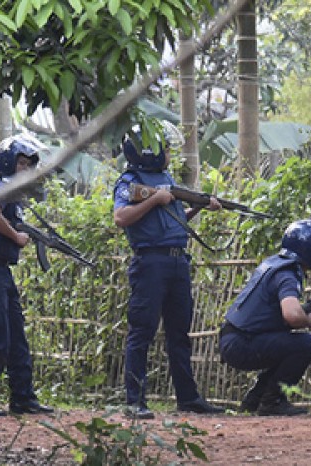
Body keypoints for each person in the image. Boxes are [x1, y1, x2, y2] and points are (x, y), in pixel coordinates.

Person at [113, 130, 225, 419]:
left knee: (179, 334)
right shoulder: (129, 182)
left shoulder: (168, 182)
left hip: (177, 262)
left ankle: (188, 398)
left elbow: (174, 219)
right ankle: (134, 401)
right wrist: (154, 200)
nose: (168, 153)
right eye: (164, 149)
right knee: (142, 332)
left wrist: (200, 206)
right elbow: (120, 217)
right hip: (150, 263)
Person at [0, 134, 54, 416]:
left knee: (16, 335)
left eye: (29, 165)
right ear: (7, 162)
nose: (26, 169)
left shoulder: (5, 191)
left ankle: (22, 398)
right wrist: (16, 235)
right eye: (22, 163)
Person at [218, 218, 311, 416]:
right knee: (305, 344)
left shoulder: (273, 263)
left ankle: (255, 399)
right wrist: (309, 320)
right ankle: (272, 401)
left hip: (233, 338)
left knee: (285, 344)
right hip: (242, 344)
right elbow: (292, 315)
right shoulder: (288, 274)